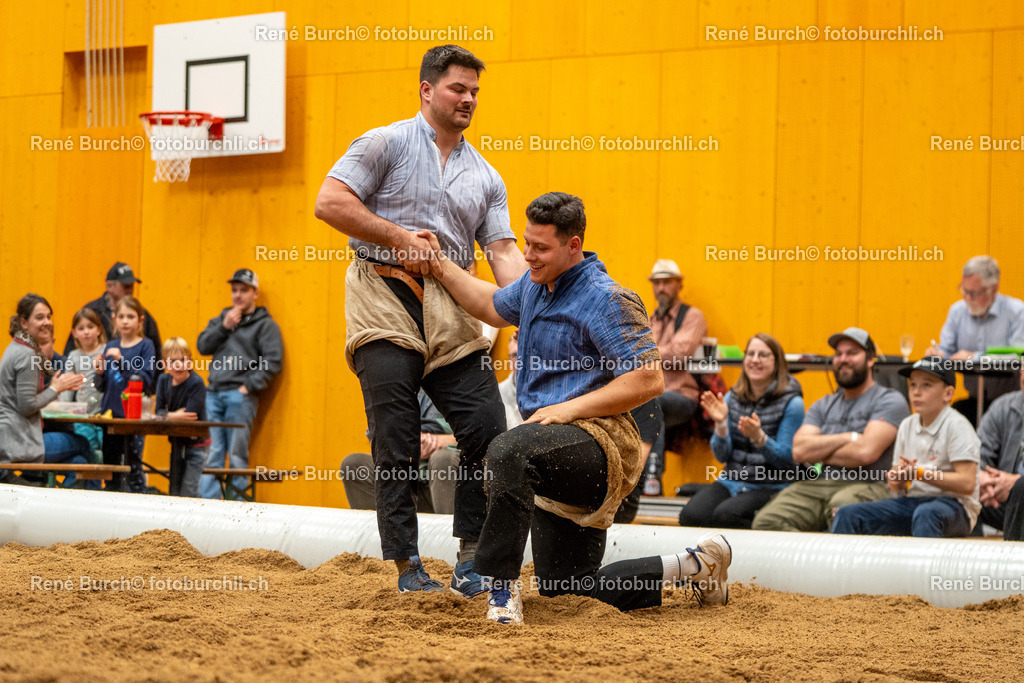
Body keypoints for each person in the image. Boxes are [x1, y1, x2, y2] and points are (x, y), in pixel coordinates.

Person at [423, 191, 732, 625]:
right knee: (569, 591)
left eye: (541, 247)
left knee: (507, 449)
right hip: (552, 448)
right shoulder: (534, 287)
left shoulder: (607, 298)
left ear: (574, 245)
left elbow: (649, 379)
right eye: (526, 243)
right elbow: (490, 305)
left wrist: (570, 409)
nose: (528, 256)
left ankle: (499, 587)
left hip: (601, 445)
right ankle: (696, 565)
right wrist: (439, 264)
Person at [314, 44, 526, 595]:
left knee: (486, 428)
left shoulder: (486, 176)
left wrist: (538, 303)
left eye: (476, 91)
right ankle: (407, 564)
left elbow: (503, 252)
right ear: (427, 90)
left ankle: (473, 557)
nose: (470, 99)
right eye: (459, 88)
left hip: (451, 302)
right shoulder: (384, 142)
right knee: (396, 430)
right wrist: (398, 237)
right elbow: (330, 202)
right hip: (381, 291)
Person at [752, 327, 911, 532]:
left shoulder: (889, 401)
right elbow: (800, 451)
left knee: (842, 507)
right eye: (838, 354)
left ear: (870, 360)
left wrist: (821, 450)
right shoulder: (823, 405)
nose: (843, 359)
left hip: (872, 484)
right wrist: (851, 437)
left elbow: (865, 452)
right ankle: (810, 560)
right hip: (821, 484)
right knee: (767, 521)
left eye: (852, 353)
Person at [832, 357, 981, 537]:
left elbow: (967, 483)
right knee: (848, 514)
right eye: (913, 385)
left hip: (955, 506)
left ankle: (924, 566)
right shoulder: (907, 425)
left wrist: (918, 473)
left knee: (927, 514)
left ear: (948, 394)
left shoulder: (957, 425)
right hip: (914, 502)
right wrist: (897, 480)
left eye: (926, 385)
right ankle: (844, 565)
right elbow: (897, 488)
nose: (916, 392)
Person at [680, 334, 805, 529]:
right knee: (691, 516)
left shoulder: (793, 403)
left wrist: (760, 438)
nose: (755, 360)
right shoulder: (732, 398)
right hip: (732, 481)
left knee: (726, 515)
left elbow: (787, 459)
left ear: (777, 363)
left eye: (763, 355)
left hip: (771, 485)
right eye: (751, 354)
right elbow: (722, 456)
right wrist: (720, 425)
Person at [196, 269, 283, 500]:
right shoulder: (223, 319)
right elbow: (202, 346)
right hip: (213, 393)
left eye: (244, 290)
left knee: (237, 454)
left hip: (240, 395)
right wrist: (224, 327)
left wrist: (248, 387)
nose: (237, 295)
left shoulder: (265, 325)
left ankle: (238, 510)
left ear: (255, 293)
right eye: (234, 290)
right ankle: (207, 507)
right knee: (213, 452)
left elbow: (273, 361)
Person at [630, 259, 710, 496]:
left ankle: (651, 479)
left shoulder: (692, 316)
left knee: (652, 403)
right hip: (651, 394)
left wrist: (645, 353)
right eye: (657, 283)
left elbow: (679, 354)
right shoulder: (649, 318)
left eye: (667, 282)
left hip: (683, 396)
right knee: (637, 404)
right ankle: (634, 482)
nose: (661, 288)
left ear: (679, 285)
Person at [0, 294, 92, 488]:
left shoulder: (18, 348)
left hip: (12, 438)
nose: (47, 322)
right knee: (84, 444)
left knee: (79, 463)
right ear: (24, 323)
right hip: (19, 443)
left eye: (49, 317)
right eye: (40, 317)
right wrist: (56, 388)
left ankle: (44, 490)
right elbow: (27, 406)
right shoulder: (26, 355)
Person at [924, 255, 1024, 424]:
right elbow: (946, 349)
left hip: (1010, 403)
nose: (967, 298)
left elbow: (1017, 358)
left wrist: (975, 357)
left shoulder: (1017, 312)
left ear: (994, 288)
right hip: (972, 400)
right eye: (964, 290)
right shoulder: (957, 311)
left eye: (974, 293)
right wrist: (937, 353)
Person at [341, 391, 461, 514]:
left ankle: (449, 531)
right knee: (354, 465)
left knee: (442, 459)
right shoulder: (393, 385)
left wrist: (438, 442)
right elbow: (376, 440)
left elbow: (478, 433)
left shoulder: (466, 382)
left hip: (446, 477)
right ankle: (384, 530)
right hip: (405, 477)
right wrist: (406, 445)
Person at [94, 295, 156, 492]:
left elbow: (145, 380)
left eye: (130, 316)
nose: (125, 321)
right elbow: (102, 386)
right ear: (114, 320)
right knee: (110, 466)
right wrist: (99, 372)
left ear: (140, 320)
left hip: (133, 417)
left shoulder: (146, 346)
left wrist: (121, 361)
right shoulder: (111, 346)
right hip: (111, 415)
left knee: (133, 467)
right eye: (121, 316)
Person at [63, 262, 162, 363]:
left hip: (136, 375)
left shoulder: (141, 314)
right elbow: (72, 347)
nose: (130, 289)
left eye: (131, 285)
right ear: (109, 286)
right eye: (125, 286)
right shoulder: (91, 311)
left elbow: (157, 355)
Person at [154, 338, 208, 498]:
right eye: (172, 361)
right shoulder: (163, 380)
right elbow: (158, 410)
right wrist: (174, 416)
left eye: (183, 360)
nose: (178, 365)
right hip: (176, 442)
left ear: (190, 362)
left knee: (189, 489)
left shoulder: (196, 383)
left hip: (197, 444)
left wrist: (167, 416)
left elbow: (190, 416)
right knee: (174, 487)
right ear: (164, 364)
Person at [976, 365, 1024, 541]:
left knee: (1021, 489)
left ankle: (1013, 566)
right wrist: (985, 480)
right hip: (998, 498)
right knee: (962, 497)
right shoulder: (1003, 406)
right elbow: (976, 455)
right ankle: (973, 565)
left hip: (1018, 493)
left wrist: (1013, 483)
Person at [60, 308, 107, 453]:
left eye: (90, 327)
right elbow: (66, 386)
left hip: (105, 414)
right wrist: (63, 408)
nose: (86, 332)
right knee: (90, 451)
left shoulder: (106, 351)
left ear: (98, 330)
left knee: (106, 452)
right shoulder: (73, 356)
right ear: (74, 333)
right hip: (82, 417)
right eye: (81, 328)